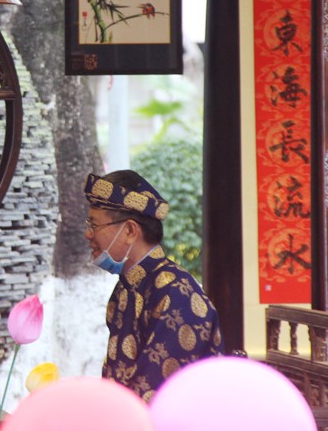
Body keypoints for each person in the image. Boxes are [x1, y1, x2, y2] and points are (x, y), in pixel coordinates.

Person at [84, 169, 224, 401]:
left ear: (130, 231)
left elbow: (155, 394)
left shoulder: (174, 292)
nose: (88, 234)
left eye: (94, 225)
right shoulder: (127, 288)